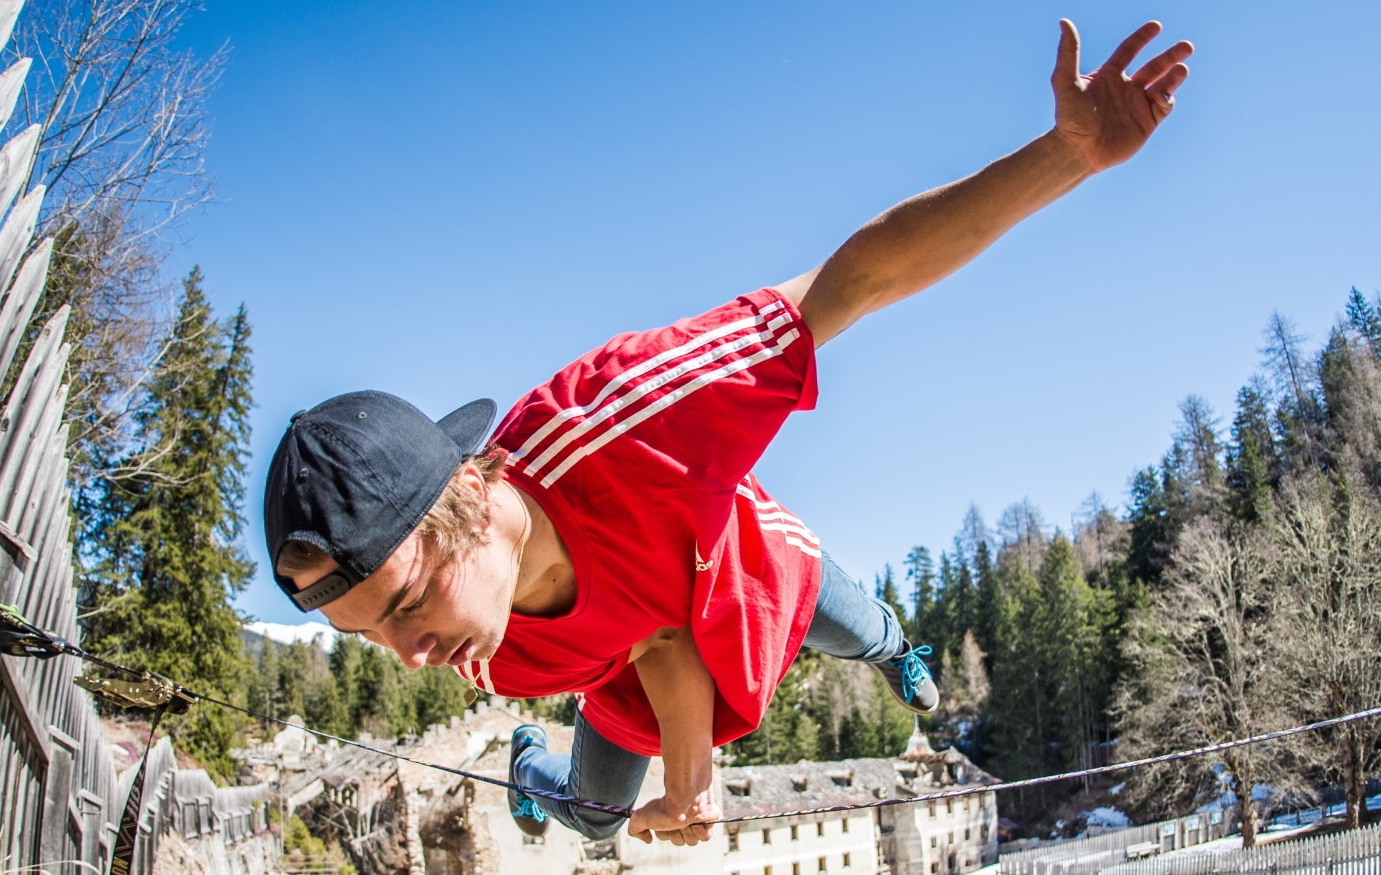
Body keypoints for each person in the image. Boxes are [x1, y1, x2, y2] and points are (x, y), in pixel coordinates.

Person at [262, 17, 1191, 848]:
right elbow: (655, 640)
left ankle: (891, 645)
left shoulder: (630, 420)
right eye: (375, 638)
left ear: (465, 492)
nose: (414, 657)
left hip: (735, 563)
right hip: (636, 653)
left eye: (408, 604)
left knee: (852, 624)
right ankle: (529, 770)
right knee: (590, 819)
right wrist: (689, 787)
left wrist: (1065, 156)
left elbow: (852, 281)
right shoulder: (475, 637)